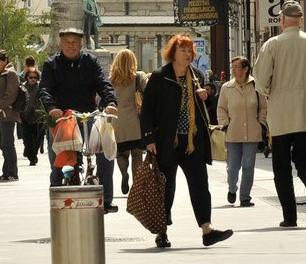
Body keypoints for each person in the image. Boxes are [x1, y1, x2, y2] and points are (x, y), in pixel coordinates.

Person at [140, 34, 234, 248]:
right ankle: (161, 232)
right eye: (183, 50)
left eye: (190, 50)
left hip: (192, 142)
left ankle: (207, 229)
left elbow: (206, 113)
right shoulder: (160, 77)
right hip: (167, 142)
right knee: (166, 187)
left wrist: (205, 97)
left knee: (200, 185)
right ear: (173, 53)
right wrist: (149, 139)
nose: (188, 54)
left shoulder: (197, 76)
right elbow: (147, 111)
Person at [252, 0, 306, 227]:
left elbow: (260, 80)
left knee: (281, 165)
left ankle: (289, 217)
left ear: (281, 20)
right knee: (305, 159)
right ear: (301, 20)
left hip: (281, 113)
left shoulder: (273, 44)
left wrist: (271, 93)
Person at [38, 27, 119, 212]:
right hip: (64, 117)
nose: (71, 46)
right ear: (61, 44)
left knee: (107, 150)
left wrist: (110, 103)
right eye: (67, 42)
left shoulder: (90, 62)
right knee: (58, 155)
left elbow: (103, 83)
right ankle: (57, 189)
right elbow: (45, 89)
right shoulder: (52, 64)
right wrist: (51, 108)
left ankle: (106, 199)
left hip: (88, 115)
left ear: (81, 44)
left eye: (75, 42)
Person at [217, 56, 267, 208]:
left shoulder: (256, 86)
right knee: (232, 166)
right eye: (232, 67)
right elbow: (221, 109)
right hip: (233, 132)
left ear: (245, 69)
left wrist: (262, 123)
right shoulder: (227, 87)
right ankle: (232, 189)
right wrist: (225, 124)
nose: (233, 70)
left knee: (248, 166)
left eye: (236, 67)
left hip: (252, 132)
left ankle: (245, 197)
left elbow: (264, 107)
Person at [108, 49, 147, 195]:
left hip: (117, 120)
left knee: (121, 153)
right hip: (135, 120)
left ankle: (124, 173)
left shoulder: (111, 78)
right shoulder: (139, 76)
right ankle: (136, 186)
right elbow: (149, 91)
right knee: (137, 153)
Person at [0, 50, 21, 181]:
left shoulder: (11, 74)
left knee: (7, 143)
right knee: (2, 143)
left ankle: (12, 172)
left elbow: (10, 95)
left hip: (8, 114)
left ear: (5, 60)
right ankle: (6, 171)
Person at [19, 66, 44, 166]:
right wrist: (18, 115)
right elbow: (17, 102)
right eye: (31, 77)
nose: (33, 79)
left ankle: (33, 155)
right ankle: (31, 156)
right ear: (27, 77)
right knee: (27, 139)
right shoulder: (21, 87)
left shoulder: (41, 87)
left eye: (35, 77)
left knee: (38, 138)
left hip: (39, 116)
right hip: (24, 116)